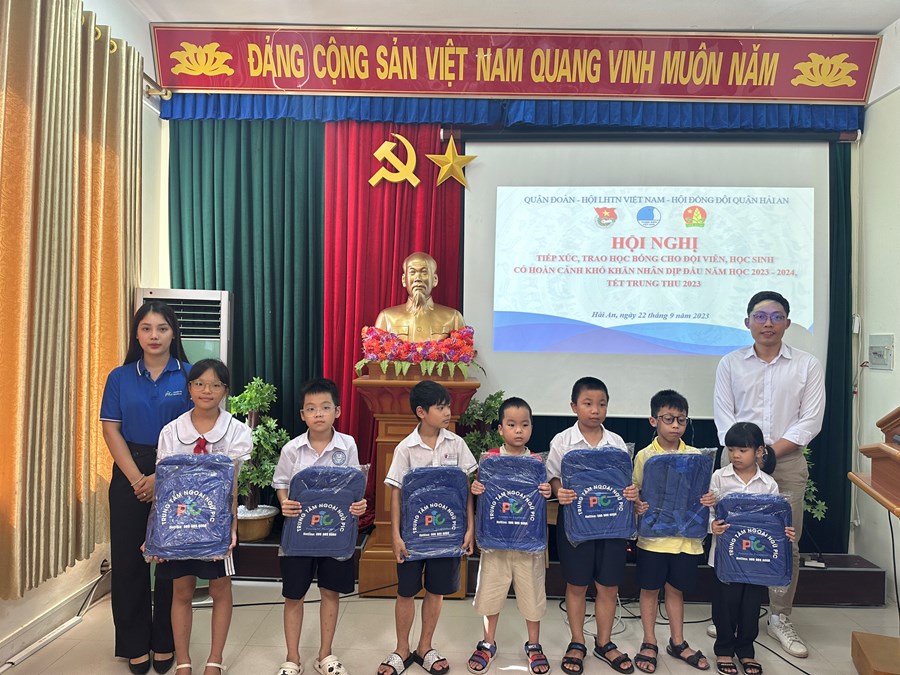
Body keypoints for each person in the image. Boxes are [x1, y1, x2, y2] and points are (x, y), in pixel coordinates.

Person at [713, 291, 825, 658]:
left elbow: (811, 420)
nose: (768, 324)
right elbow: (724, 416)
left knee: (785, 540)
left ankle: (779, 617)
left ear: (788, 323)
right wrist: (746, 454)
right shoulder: (730, 364)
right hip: (736, 461)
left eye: (777, 317)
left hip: (787, 463)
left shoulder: (806, 365)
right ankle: (731, 614)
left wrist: (770, 453)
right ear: (747, 322)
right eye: (760, 316)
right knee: (733, 535)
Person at [101, 301, 192, 674]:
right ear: (136, 334)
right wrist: (139, 479)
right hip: (129, 469)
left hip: (177, 470)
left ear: (173, 334)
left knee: (171, 562)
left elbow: (198, 431)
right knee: (128, 561)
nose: (154, 336)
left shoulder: (189, 374)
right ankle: (134, 643)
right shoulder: (119, 377)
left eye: (162, 328)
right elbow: (111, 430)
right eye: (146, 328)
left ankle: (167, 641)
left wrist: (161, 478)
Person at [152, 358, 252, 675]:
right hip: (180, 525)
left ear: (225, 390)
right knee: (181, 590)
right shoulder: (171, 431)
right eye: (199, 384)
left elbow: (233, 485)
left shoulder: (237, 431)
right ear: (189, 388)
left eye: (215, 385)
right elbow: (164, 486)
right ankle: (183, 661)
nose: (206, 390)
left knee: (220, 590)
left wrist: (232, 526)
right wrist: (155, 535)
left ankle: (214, 659)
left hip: (216, 526)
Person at [377, 380, 477, 675]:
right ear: (422, 412)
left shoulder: (456, 444)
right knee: (406, 591)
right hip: (412, 537)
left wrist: (469, 529)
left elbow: (466, 490)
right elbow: (396, 494)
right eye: (441, 407)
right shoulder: (405, 448)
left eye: (448, 407)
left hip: (448, 535)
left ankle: (425, 647)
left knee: (436, 590)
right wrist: (395, 536)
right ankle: (401, 649)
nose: (447, 413)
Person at [272, 378, 367, 675]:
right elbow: (281, 483)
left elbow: (354, 487)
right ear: (303, 415)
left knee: (330, 592)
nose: (318, 414)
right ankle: (292, 658)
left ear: (337, 411)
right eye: (311, 409)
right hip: (298, 536)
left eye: (325, 407)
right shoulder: (292, 449)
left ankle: (325, 655)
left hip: (335, 534)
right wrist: (284, 502)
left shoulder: (347, 445)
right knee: (293, 595)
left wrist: (359, 505)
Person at [545, 377, 639, 675]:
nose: (595, 410)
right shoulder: (562, 441)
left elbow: (625, 483)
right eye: (588, 403)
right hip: (576, 525)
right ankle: (577, 641)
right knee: (576, 584)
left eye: (602, 404)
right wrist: (559, 490)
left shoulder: (616, 443)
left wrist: (631, 492)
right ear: (574, 406)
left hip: (612, 525)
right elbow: (553, 477)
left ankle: (604, 642)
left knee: (608, 586)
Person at [467, 397, 552, 675]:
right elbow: (480, 491)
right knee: (491, 594)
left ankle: (534, 645)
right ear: (501, 429)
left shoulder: (537, 462)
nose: (519, 430)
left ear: (531, 428)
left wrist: (547, 491)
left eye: (525, 425)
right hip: (496, 543)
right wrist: (476, 488)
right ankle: (487, 643)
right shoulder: (490, 460)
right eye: (512, 425)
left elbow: (544, 495)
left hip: (528, 544)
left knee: (532, 596)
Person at [632, 391, 714, 673]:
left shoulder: (697, 457)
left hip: (685, 541)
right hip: (652, 540)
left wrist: (709, 499)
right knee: (649, 590)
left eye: (681, 420)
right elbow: (636, 490)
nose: (675, 425)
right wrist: (637, 503)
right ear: (653, 420)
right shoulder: (644, 456)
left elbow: (703, 493)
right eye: (668, 419)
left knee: (676, 590)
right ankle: (649, 641)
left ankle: (677, 642)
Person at [709, 422, 797, 675]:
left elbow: (774, 521)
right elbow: (709, 510)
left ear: (759, 451)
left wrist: (785, 533)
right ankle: (724, 650)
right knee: (725, 605)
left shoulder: (769, 484)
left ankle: (746, 651)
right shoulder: (719, 477)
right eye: (731, 449)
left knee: (751, 607)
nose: (735, 455)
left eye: (742, 450)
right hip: (726, 558)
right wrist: (712, 525)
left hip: (757, 560)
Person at [374, 252, 465, 342]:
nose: (418, 278)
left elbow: (463, 348)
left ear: (435, 280)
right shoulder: (386, 318)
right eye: (412, 272)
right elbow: (376, 349)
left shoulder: (453, 318)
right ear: (404, 280)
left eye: (424, 273)